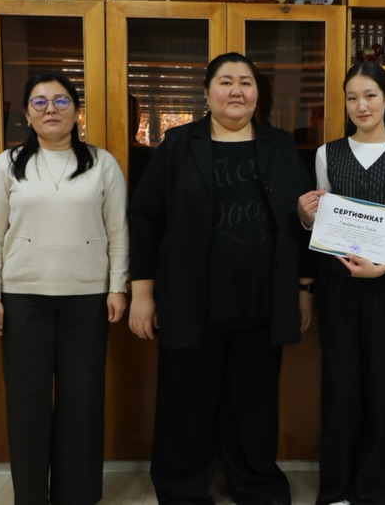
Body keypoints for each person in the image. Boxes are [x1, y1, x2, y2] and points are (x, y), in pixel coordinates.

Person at [127, 51, 315, 505]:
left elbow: (302, 224)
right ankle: (183, 488)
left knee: (254, 402)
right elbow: (146, 217)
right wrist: (142, 293)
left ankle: (254, 483)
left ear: (257, 94)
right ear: (207, 93)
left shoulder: (280, 146)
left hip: (262, 301)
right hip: (191, 298)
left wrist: (304, 289)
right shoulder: (178, 144)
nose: (236, 91)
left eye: (246, 82)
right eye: (226, 82)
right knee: (187, 401)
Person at [0, 73, 129, 504]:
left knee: (82, 400)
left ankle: (77, 495)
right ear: (26, 114)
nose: (50, 109)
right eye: (39, 102)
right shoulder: (6, 165)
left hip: (88, 296)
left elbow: (118, 231)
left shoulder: (102, 163)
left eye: (61, 101)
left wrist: (117, 286)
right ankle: (30, 495)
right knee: (27, 402)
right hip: (23, 298)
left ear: (76, 112)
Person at [298, 61, 385, 505]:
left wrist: (384, 265)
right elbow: (322, 221)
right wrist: (307, 218)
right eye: (352, 97)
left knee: (382, 389)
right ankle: (336, 488)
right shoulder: (327, 153)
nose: (361, 105)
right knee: (339, 386)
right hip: (337, 286)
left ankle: (373, 492)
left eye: (370, 95)